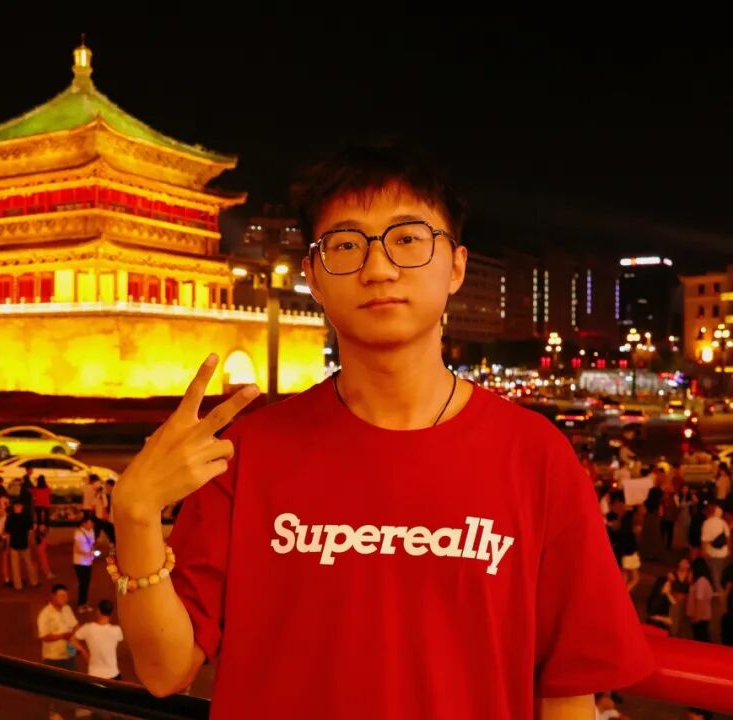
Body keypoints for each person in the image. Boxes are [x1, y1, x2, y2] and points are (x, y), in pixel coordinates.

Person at [111, 144, 653, 716]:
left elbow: (567, 692)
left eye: (408, 239)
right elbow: (166, 669)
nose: (378, 268)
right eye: (346, 245)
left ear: (457, 267)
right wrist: (135, 514)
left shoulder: (535, 455)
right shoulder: (245, 453)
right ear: (313, 278)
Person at [71, 599, 124, 681]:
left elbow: (72, 640)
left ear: (98, 611)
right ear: (111, 614)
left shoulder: (88, 628)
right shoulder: (116, 630)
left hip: (94, 674)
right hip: (113, 673)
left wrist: (83, 651)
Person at [37, 584, 78, 670]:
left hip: (70, 653)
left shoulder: (67, 608)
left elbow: (75, 625)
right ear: (53, 596)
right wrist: (62, 636)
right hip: (53, 658)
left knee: (73, 676)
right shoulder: (45, 614)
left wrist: (74, 638)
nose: (65, 598)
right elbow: (44, 636)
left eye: (66, 596)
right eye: (61, 596)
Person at [7, 496, 38, 590]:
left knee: (16, 566)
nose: (17, 507)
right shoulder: (26, 517)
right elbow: (30, 531)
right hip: (23, 543)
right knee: (27, 564)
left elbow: (8, 532)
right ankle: (33, 582)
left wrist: (8, 544)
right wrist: (31, 542)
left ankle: (18, 585)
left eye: (17, 506)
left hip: (16, 543)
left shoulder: (11, 517)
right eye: (16, 506)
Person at [701, 502, 730, 589]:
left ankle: (718, 591)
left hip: (712, 552)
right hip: (723, 552)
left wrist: (704, 552)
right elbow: (727, 538)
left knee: (714, 574)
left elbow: (704, 541)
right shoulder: (723, 523)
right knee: (720, 572)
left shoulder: (707, 523)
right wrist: (728, 550)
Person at [73, 514, 96, 613]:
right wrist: (89, 553)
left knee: (86, 583)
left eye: (92, 523)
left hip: (88, 562)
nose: (91, 525)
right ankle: (80, 605)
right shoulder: (78, 533)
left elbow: (92, 544)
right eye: (89, 523)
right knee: (82, 583)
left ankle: (84, 603)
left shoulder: (91, 531)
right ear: (84, 523)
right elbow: (78, 549)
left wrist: (92, 553)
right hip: (80, 562)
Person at [687, 557, 714, 642]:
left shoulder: (701, 581)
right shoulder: (702, 581)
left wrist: (697, 617)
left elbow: (700, 600)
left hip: (700, 617)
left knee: (700, 639)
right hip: (701, 617)